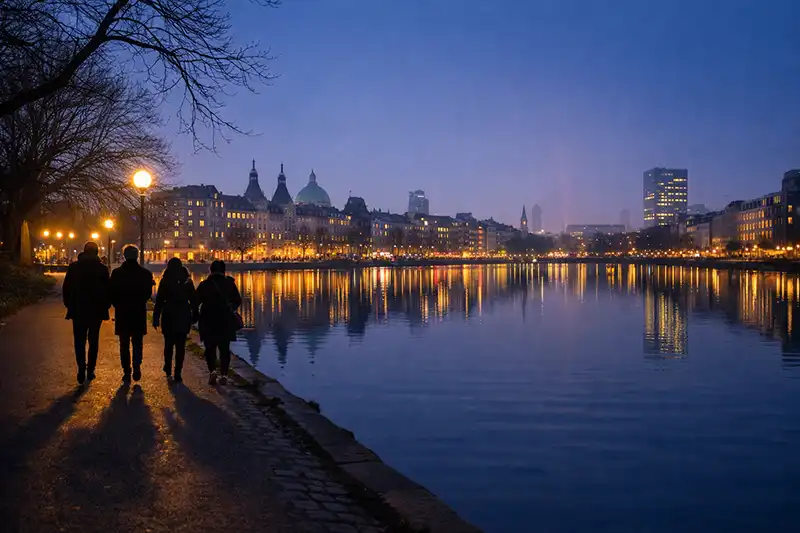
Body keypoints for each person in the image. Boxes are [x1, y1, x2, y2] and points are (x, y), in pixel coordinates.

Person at [62, 242, 111, 384]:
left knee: (79, 340)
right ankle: (91, 370)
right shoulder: (102, 269)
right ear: (96, 252)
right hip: (96, 310)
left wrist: (69, 305)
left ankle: (81, 367)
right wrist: (105, 306)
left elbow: (66, 288)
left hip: (78, 309)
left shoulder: (74, 268)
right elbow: (107, 290)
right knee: (93, 340)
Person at [110, 245, 155, 382]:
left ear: (124, 256)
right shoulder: (145, 274)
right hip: (138, 312)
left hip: (123, 312)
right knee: (137, 342)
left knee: (123, 343)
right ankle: (136, 365)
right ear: (137, 256)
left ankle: (126, 371)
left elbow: (112, 293)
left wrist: (117, 304)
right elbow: (148, 293)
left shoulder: (117, 273)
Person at [196, 260, 242, 385]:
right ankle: (224, 374)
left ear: (210, 270)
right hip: (225, 320)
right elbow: (238, 300)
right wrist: (231, 307)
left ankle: (212, 371)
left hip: (208, 320)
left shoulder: (204, 284)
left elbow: (195, 301)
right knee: (224, 349)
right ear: (223, 270)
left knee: (210, 348)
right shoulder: (229, 284)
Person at [153, 258, 197, 383]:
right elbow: (193, 300)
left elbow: (159, 301)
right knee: (180, 346)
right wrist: (195, 314)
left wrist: (156, 318)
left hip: (169, 314)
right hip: (183, 314)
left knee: (168, 343)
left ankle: (167, 367)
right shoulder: (188, 281)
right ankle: (178, 371)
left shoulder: (165, 281)